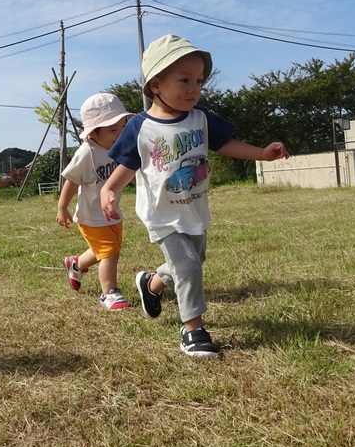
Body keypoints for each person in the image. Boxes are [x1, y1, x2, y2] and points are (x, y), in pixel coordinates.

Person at [100, 34, 289, 357]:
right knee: (188, 267)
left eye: (199, 81)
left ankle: (151, 284)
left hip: (194, 210)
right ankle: (193, 330)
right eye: (184, 80)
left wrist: (261, 153)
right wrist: (109, 189)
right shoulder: (140, 127)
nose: (194, 89)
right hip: (162, 214)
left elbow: (225, 144)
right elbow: (128, 164)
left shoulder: (200, 118)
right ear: (156, 85)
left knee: (191, 262)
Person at [57, 93, 133, 310]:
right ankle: (109, 293)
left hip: (112, 213)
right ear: (93, 132)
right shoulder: (86, 153)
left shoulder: (120, 148)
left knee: (106, 250)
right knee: (110, 253)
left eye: (123, 127)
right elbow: (71, 180)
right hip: (91, 216)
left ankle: (76, 264)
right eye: (113, 130)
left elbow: (129, 173)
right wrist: (62, 207)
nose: (120, 134)